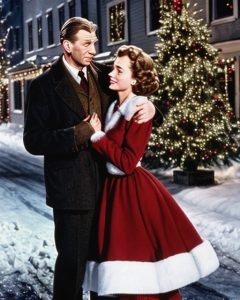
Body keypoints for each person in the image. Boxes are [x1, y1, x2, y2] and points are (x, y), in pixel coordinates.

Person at [23, 18, 155, 300]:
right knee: (72, 268)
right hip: (71, 194)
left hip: (109, 192)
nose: (94, 49)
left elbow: (137, 90)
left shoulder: (106, 76)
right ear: (67, 45)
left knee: (103, 270)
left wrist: (150, 105)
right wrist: (80, 132)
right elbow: (33, 141)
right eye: (87, 43)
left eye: (95, 42)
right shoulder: (43, 86)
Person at [82, 45, 220, 300]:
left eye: (119, 70)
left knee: (142, 265)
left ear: (134, 79)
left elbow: (126, 162)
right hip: (114, 192)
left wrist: (98, 137)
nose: (111, 73)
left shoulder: (139, 109)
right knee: (124, 269)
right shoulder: (114, 105)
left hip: (133, 193)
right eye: (113, 67)